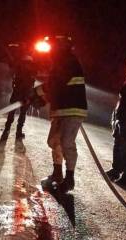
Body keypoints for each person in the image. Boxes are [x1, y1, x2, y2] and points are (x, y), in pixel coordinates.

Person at [45, 36, 88, 193]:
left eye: (55, 46)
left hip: (73, 110)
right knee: (53, 141)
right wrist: (39, 96)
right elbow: (54, 85)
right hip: (61, 109)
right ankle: (57, 174)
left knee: (66, 143)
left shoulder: (68, 61)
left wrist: (37, 94)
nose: (52, 49)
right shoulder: (60, 62)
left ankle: (69, 179)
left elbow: (56, 84)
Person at [0, 55, 36, 141]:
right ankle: (18, 133)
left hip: (17, 94)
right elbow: (30, 85)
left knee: (12, 113)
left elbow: (14, 80)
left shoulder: (19, 70)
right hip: (24, 95)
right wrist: (28, 96)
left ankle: (6, 131)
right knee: (22, 114)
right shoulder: (31, 72)